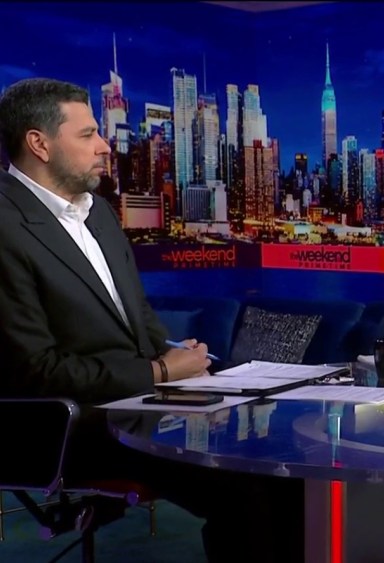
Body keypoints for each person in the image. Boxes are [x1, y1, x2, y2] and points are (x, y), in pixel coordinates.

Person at [0, 78, 303, 562]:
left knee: (285, 464)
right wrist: (160, 372)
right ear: (39, 143)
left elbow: (135, 313)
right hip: (73, 425)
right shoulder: (6, 226)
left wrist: (177, 356)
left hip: (145, 402)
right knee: (247, 487)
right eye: (88, 135)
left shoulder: (99, 212)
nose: (104, 146)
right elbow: (36, 372)